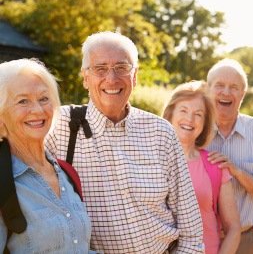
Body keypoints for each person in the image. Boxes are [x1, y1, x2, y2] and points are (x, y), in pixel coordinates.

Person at [45, 31, 204, 253]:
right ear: (85, 77)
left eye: (122, 68)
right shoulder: (56, 126)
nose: (111, 79)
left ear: (135, 76)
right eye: (100, 69)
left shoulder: (161, 133)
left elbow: (191, 231)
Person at [0, 59, 96, 253]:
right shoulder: (3, 184)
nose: (38, 110)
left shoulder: (67, 174)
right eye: (23, 101)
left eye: (44, 98)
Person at [205, 58, 253, 254]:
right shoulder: (193, 130)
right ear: (207, 90)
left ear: (243, 94)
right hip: (200, 240)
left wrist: (237, 172)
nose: (226, 92)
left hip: (245, 241)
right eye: (219, 86)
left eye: (233, 87)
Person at [162, 80, 241, 254]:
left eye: (198, 114)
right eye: (183, 110)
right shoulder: (149, 161)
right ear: (170, 115)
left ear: (205, 123)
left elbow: (233, 227)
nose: (189, 119)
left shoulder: (214, 165)